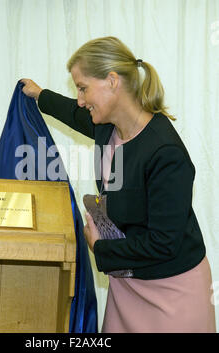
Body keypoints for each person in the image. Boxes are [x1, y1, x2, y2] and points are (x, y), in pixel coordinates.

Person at [21, 36, 216, 333]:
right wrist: (40, 95)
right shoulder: (107, 127)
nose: (81, 100)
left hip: (172, 294)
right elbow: (73, 113)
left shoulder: (166, 153)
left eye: (83, 88)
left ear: (112, 81)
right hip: (128, 285)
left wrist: (100, 248)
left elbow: (164, 244)